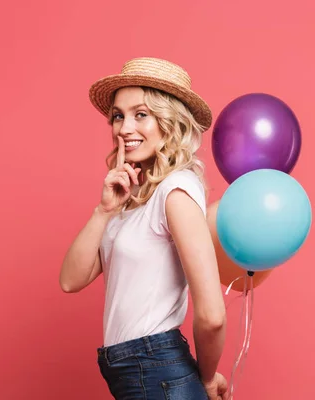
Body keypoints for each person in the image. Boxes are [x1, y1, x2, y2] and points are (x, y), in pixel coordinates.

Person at [59, 57, 228, 400]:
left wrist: (207, 379)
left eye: (141, 114)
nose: (124, 128)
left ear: (170, 122)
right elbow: (70, 281)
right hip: (137, 372)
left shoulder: (175, 191)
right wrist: (104, 210)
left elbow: (211, 315)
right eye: (119, 116)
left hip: (154, 370)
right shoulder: (131, 195)